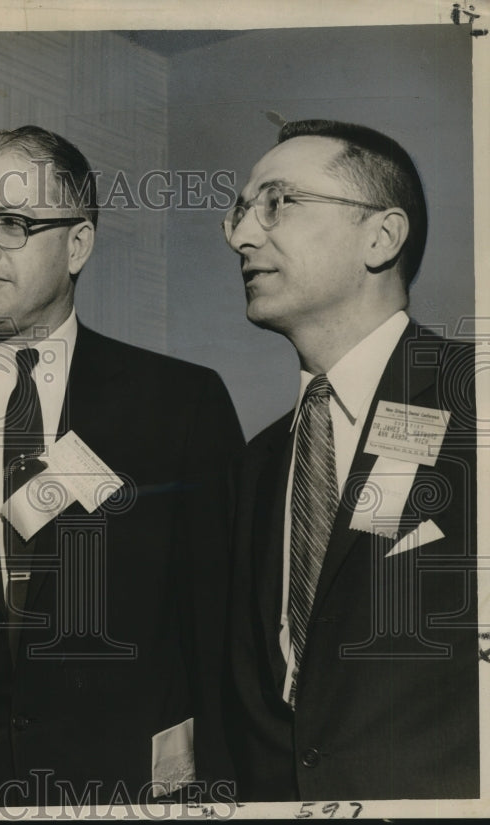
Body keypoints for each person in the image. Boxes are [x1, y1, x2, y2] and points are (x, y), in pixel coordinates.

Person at [0, 126, 243, 808]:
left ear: (78, 242)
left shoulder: (178, 402)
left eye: (13, 223)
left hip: (123, 789)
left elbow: (221, 633)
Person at [223, 119, 478, 801]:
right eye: (241, 211)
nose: (244, 235)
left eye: (278, 202)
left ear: (380, 237)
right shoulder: (260, 459)